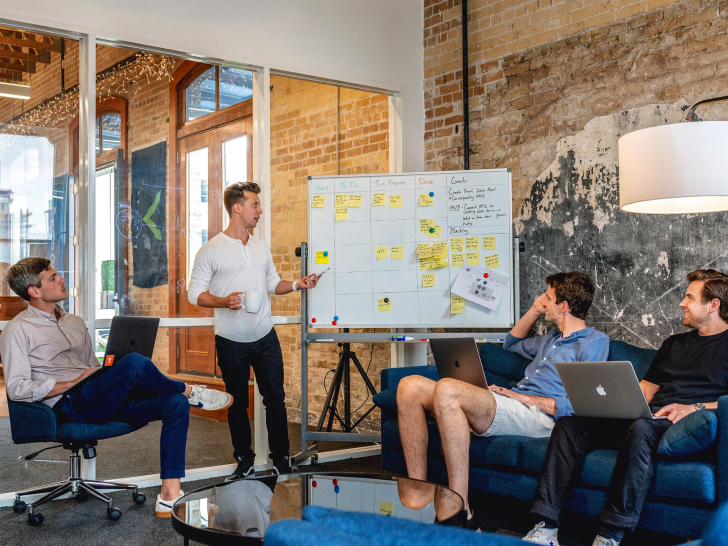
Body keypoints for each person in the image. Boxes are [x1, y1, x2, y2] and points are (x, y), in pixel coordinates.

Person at [0, 257, 233, 518]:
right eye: (53, 277)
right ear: (34, 291)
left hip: (96, 396)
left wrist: (106, 373)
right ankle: (188, 390)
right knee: (134, 363)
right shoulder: (17, 330)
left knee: (173, 403)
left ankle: (169, 495)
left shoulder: (74, 322)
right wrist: (72, 382)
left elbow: (91, 367)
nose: (62, 279)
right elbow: (18, 388)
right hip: (68, 404)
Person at [523, 269, 728, 546]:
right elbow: (645, 390)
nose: (681, 303)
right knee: (570, 425)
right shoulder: (673, 344)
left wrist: (696, 407)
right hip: (648, 418)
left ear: (713, 305)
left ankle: (609, 535)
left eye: (689, 297)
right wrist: (612, 402)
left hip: (682, 424)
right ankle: (546, 528)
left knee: (641, 428)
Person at [397, 271, 609, 528]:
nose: (542, 299)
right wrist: (533, 310)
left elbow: (583, 403)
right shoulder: (550, 340)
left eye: (548, 297)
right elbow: (511, 343)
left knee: (448, 389)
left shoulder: (593, 342)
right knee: (409, 386)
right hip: (514, 405)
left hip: (541, 417)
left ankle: (462, 510)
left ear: (564, 306)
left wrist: (526, 398)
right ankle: (419, 488)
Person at [187, 182, 319, 480]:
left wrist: (298, 284)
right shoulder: (211, 249)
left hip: (265, 336)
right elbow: (194, 294)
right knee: (237, 400)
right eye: (255, 205)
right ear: (237, 207)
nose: (260, 210)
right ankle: (244, 460)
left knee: (275, 398)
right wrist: (223, 300)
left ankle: (281, 459)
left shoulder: (260, 247)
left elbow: (273, 284)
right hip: (231, 339)